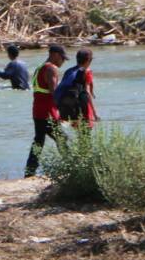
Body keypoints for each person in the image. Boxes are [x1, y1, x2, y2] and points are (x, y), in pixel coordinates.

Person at [25, 44, 68, 177]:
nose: (63, 61)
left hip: (37, 110)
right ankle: (71, 165)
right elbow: (54, 92)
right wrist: (64, 110)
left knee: (39, 140)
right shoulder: (51, 68)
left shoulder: (40, 67)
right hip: (48, 112)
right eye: (62, 58)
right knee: (61, 139)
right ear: (55, 55)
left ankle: (29, 171)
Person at [56, 48, 97, 127]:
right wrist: (95, 113)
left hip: (70, 109)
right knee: (86, 134)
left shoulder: (69, 71)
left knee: (80, 134)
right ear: (89, 60)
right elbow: (87, 92)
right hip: (83, 108)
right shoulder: (86, 71)